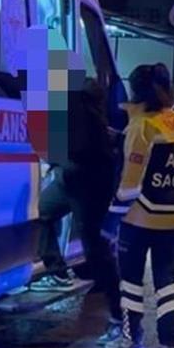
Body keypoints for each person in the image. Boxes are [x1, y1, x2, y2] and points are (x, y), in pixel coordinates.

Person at [101, 63, 174, 348]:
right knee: (167, 283)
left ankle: (131, 339)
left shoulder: (141, 126)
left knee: (131, 282)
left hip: (140, 219)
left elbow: (130, 185)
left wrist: (110, 223)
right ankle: (168, 347)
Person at [31, 76, 120, 325]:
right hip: (75, 180)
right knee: (44, 213)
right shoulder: (93, 117)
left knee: (91, 239)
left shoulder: (80, 116)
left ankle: (113, 295)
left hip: (82, 182)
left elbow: (63, 149)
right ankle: (58, 271)